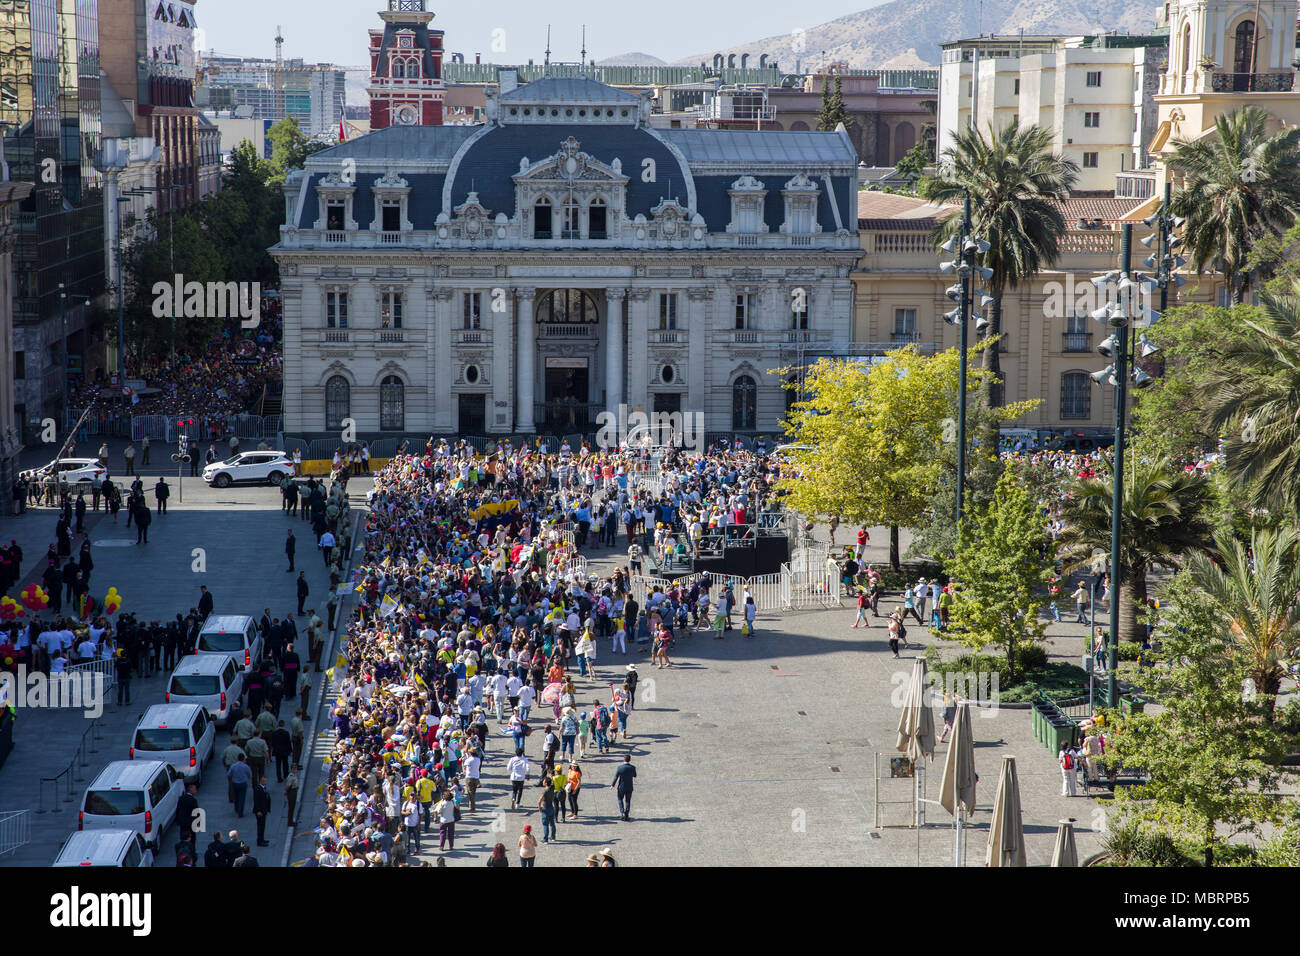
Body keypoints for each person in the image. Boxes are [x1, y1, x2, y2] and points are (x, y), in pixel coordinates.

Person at [612, 754, 636, 821]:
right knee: (628, 801)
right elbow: (635, 775)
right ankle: (627, 813)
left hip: (621, 787)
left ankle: (622, 813)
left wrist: (612, 785)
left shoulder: (620, 767)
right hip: (629, 787)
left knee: (620, 799)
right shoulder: (632, 767)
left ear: (624, 759)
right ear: (629, 760)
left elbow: (616, 777)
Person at [252, 776, 272, 846]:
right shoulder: (258, 789)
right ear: (260, 781)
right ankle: (259, 841)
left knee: (263, 826)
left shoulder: (263, 788)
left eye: (266, 781)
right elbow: (256, 800)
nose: (265, 782)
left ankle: (262, 839)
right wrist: (258, 811)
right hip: (260, 811)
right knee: (260, 826)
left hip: (264, 810)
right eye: (264, 781)